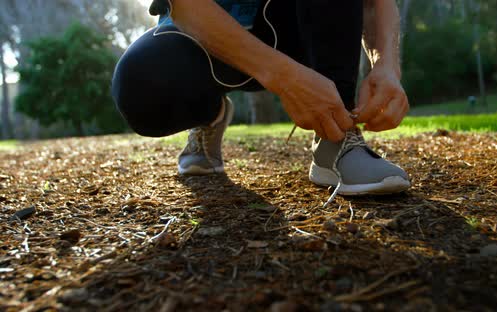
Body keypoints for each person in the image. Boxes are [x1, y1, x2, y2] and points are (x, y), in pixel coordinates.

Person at [112, 0, 410, 196]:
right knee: (142, 86)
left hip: (299, 23)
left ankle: (335, 136)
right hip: (206, 28)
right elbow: (186, 5)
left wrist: (387, 65)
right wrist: (283, 76)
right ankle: (209, 115)